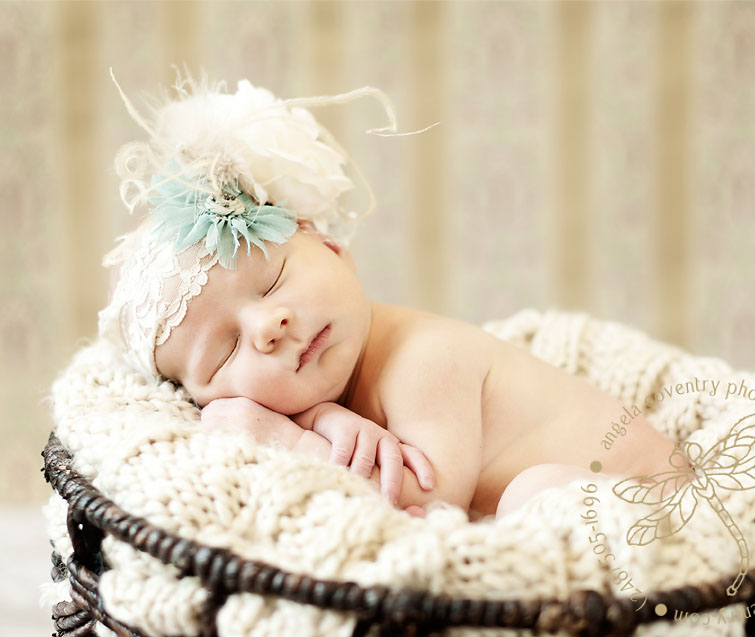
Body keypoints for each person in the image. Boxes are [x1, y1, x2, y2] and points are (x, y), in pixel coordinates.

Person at [99, 69, 682, 523]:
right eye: (226, 353)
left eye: (272, 281)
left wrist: (289, 440)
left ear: (331, 248)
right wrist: (323, 416)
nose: (268, 325)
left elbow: (429, 495)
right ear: (201, 397)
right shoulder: (334, 388)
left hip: (655, 504)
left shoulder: (421, 360)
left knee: (536, 496)